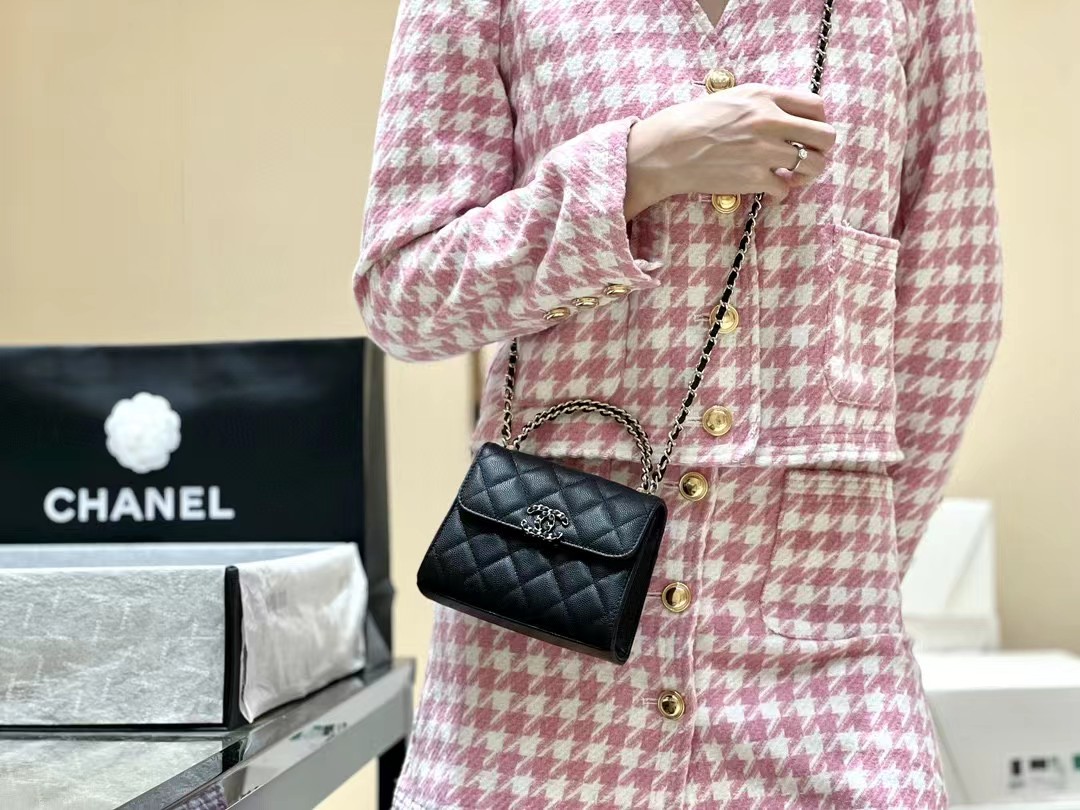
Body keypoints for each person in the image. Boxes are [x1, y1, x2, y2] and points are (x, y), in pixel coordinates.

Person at [352, 0, 1003, 806]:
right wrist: (636, 168)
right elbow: (404, 296)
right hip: (540, 663)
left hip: (825, 688)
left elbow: (950, 312)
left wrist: (839, 569)